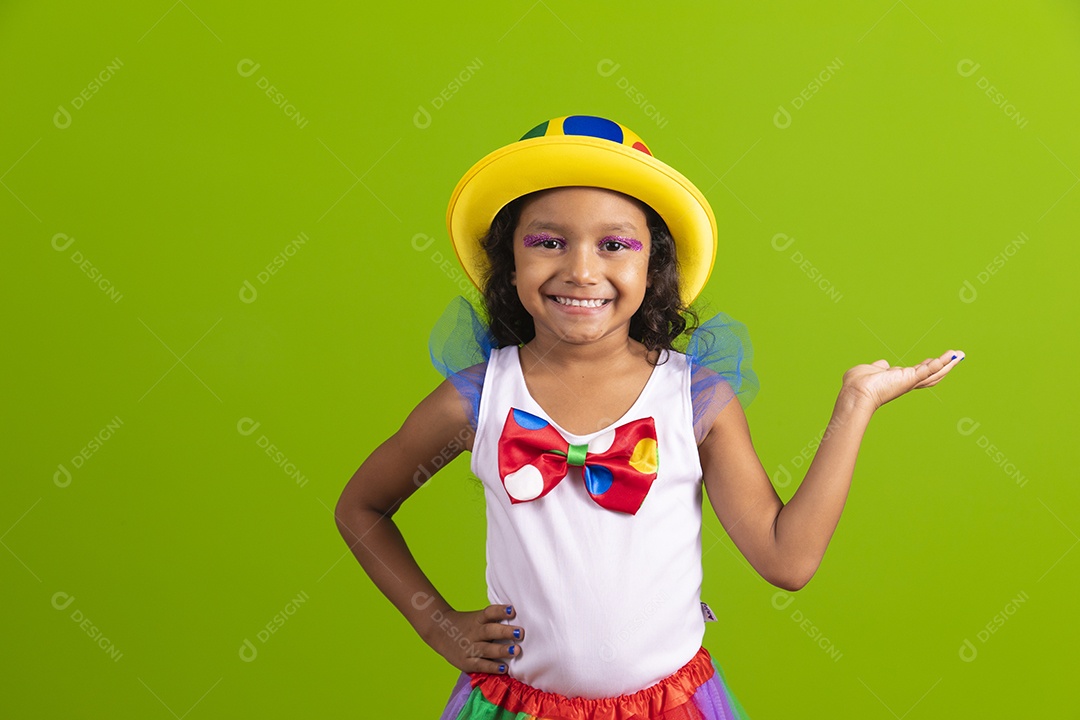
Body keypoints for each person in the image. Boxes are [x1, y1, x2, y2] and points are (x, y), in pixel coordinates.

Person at [334, 115, 964, 719]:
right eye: (548, 242)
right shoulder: (478, 398)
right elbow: (361, 508)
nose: (582, 270)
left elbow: (786, 560)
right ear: (510, 261)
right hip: (516, 706)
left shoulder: (694, 400)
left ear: (653, 266)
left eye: (615, 245)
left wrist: (855, 405)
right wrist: (436, 623)